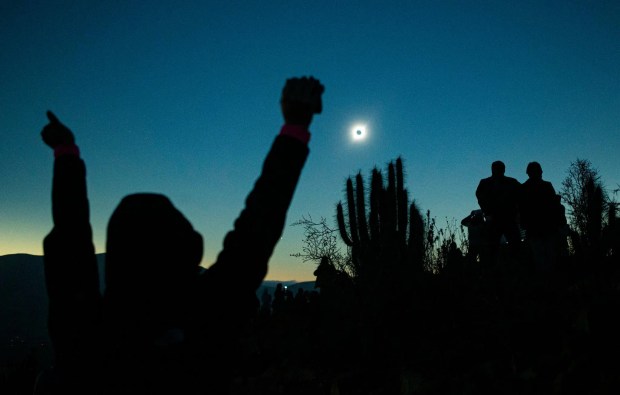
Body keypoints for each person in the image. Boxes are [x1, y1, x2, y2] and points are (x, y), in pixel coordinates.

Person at [40, 76, 324, 394]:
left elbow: (70, 239)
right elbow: (259, 225)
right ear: (188, 248)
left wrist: (66, 152)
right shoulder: (209, 317)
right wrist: (296, 127)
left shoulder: (87, 337)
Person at [475, 160, 522, 263]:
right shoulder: (510, 182)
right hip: (498, 219)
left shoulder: (511, 182)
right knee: (494, 249)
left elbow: (522, 195)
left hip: (504, 219)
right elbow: (479, 196)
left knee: (512, 247)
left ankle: (511, 271)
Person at [519, 162, 560, 272]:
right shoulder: (546, 186)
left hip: (538, 226)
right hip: (544, 226)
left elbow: (521, 209)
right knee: (546, 254)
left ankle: (545, 279)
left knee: (541, 255)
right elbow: (554, 205)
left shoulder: (524, 188)